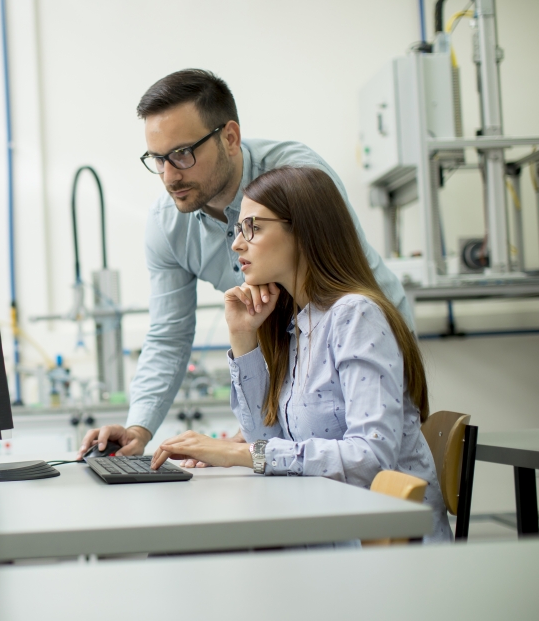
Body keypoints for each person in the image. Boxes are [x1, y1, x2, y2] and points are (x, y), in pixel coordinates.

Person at [78, 69, 412, 458]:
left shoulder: (297, 179)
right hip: (296, 375)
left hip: (366, 346)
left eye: (183, 154)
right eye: (158, 159)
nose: (169, 176)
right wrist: (140, 427)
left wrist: (257, 449)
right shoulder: (168, 223)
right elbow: (169, 335)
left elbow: (345, 282)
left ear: (230, 138)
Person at [148, 165, 450, 543]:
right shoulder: (298, 324)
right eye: (239, 229)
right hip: (327, 533)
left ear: (303, 231)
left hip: (377, 555)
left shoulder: (356, 317)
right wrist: (243, 338)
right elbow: (266, 434)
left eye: (252, 228)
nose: (236, 244)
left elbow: (371, 459)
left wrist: (237, 454)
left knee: (188, 553)